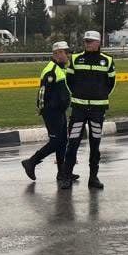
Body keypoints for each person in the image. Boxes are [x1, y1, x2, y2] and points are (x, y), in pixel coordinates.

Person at [62, 29, 116, 191]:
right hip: (78, 109)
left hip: (97, 110)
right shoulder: (76, 59)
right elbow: (68, 80)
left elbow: (111, 83)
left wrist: (100, 95)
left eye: (90, 41)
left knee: (95, 144)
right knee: (72, 143)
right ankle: (66, 176)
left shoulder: (107, 60)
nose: (87, 44)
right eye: (86, 41)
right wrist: (78, 95)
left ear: (98, 43)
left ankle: (93, 177)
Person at [22, 40, 74, 185]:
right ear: (57, 54)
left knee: (63, 141)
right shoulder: (51, 70)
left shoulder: (61, 68)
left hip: (59, 111)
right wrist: (45, 110)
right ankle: (31, 162)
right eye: (65, 52)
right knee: (56, 142)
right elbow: (43, 93)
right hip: (52, 112)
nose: (67, 55)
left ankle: (61, 173)